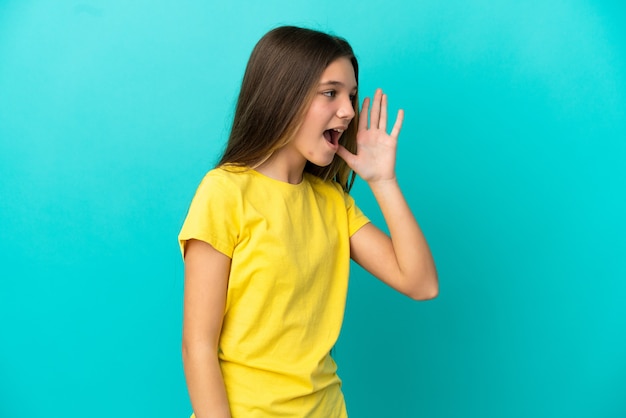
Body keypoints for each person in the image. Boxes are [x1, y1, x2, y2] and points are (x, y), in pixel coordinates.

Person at [178, 25, 438, 418]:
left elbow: (421, 284)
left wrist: (383, 181)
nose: (349, 110)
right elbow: (197, 346)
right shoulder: (225, 192)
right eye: (330, 93)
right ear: (284, 95)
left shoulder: (333, 203)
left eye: (351, 95)